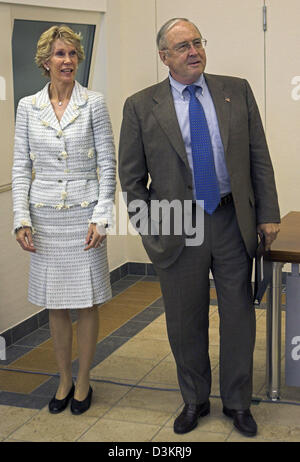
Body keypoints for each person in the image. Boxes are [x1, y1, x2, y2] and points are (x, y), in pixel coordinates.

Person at [118, 18, 280, 437]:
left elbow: (258, 156)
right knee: (185, 321)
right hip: (177, 226)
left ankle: (239, 403)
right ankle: (194, 400)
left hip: (230, 220)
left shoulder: (236, 90)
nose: (194, 52)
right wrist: (150, 233)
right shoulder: (140, 106)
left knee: (239, 317)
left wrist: (268, 213)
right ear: (164, 57)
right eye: (183, 46)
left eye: (197, 43)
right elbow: (132, 181)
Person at [12, 25, 116, 415]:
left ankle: (84, 380)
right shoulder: (27, 106)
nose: (67, 60)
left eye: (72, 54)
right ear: (45, 61)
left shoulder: (94, 103)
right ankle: (63, 379)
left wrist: (102, 216)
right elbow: (21, 166)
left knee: (87, 302)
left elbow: (108, 164)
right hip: (44, 218)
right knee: (55, 304)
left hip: (85, 216)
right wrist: (21, 218)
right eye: (60, 54)